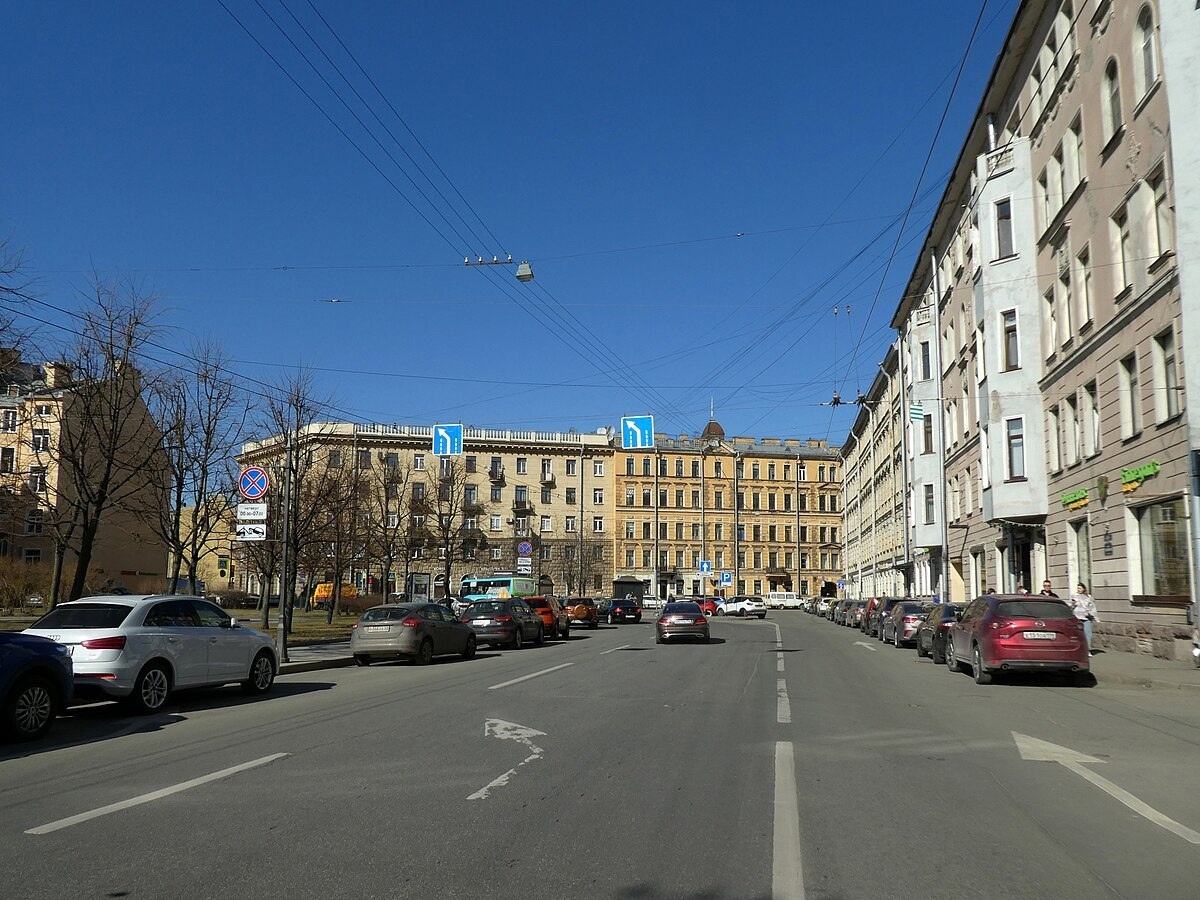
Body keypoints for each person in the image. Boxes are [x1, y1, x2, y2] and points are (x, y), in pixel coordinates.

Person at [1070, 582, 1098, 654]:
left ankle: (1087, 650)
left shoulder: (1089, 597)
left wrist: (1096, 617)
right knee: (1077, 634)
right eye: (1078, 588)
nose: (1078, 590)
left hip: (1086, 618)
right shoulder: (1074, 596)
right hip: (1077, 617)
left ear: (1084, 589)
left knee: (1087, 634)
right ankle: (1077, 650)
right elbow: (1070, 606)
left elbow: (1092, 607)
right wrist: (1072, 604)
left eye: (1080, 588)